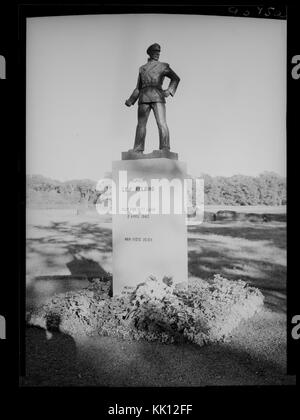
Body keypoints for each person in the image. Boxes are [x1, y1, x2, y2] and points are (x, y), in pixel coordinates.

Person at [125, 43, 180, 152]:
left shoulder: (163, 66)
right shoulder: (142, 69)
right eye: (155, 52)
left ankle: (165, 148)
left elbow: (175, 78)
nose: (157, 54)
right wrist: (131, 101)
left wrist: (169, 91)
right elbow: (138, 88)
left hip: (158, 97)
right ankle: (138, 149)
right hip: (143, 98)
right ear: (150, 53)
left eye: (158, 52)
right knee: (141, 125)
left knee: (161, 123)